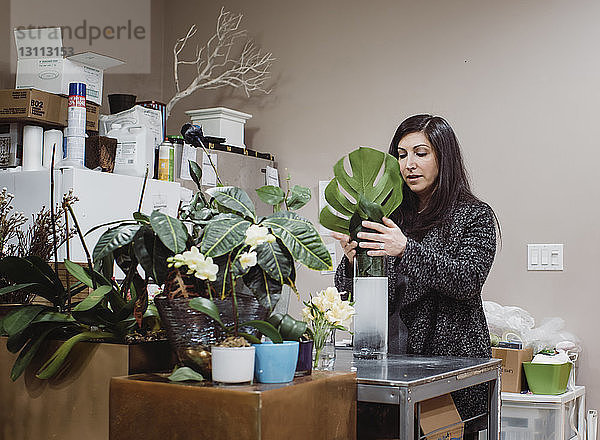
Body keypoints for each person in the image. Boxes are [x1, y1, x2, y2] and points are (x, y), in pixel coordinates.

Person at [331, 114, 499, 437]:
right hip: (392, 369)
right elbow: (348, 295)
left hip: (452, 372)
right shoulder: (390, 216)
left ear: (443, 157)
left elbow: (468, 280)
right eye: (402, 154)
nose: (409, 164)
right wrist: (352, 263)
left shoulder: (474, 215)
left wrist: (405, 249)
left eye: (421, 153)